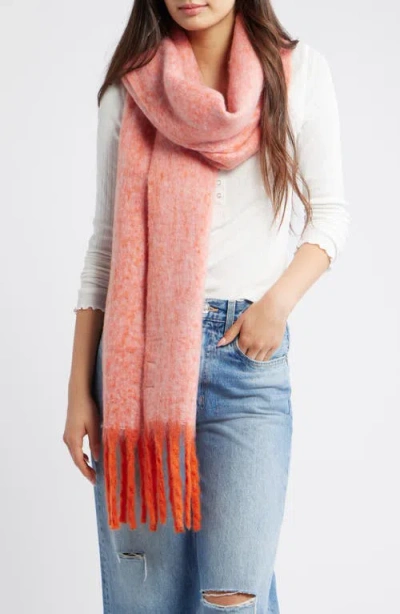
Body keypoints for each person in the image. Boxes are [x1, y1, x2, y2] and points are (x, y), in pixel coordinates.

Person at [63, 1, 350, 612]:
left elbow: (329, 216)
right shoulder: (129, 92)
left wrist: (276, 306)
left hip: (244, 365)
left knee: (235, 598)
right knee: (148, 600)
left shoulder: (297, 73)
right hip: (136, 372)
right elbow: (104, 249)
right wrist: (77, 390)